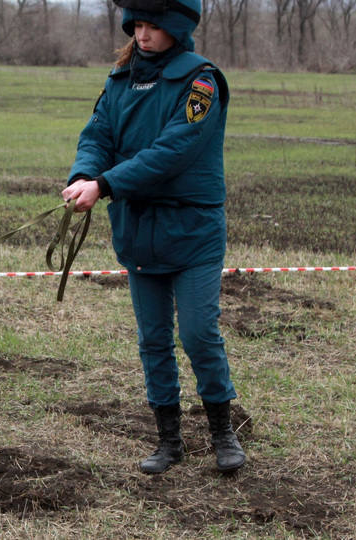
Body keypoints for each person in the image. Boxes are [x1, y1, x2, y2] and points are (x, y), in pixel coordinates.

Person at [61, 0, 246, 474]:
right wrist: (85, 173)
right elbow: (97, 135)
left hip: (193, 232)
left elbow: (174, 150)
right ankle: (169, 441)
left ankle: (223, 432)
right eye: (137, 25)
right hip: (138, 230)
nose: (142, 35)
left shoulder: (201, 81)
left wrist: (105, 184)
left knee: (199, 333)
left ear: (176, 26)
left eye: (153, 25)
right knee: (153, 340)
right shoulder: (119, 80)